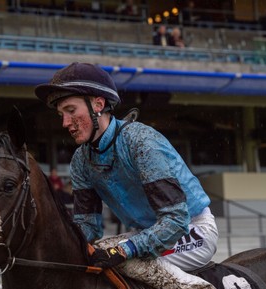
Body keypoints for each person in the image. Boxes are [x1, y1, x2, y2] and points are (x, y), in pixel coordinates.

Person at [35, 62, 218, 275]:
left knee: (122, 266)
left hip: (191, 231)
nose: (65, 123)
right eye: (61, 115)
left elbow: (175, 221)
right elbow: (87, 227)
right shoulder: (80, 161)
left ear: (98, 104)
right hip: (145, 234)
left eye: (71, 110)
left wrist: (125, 249)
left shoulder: (141, 141)